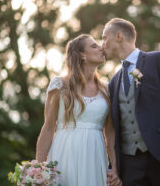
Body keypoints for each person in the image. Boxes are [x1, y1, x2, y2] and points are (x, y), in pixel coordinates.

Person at [103, 18, 160, 186]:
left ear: (118, 36)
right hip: (130, 166)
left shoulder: (158, 60)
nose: (102, 44)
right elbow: (115, 128)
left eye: (104, 37)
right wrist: (113, 167)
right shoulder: (113, 81)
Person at [36, 34, 121, 186]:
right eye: (94, 46)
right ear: (82, 55)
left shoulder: (107, 89)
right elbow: (48, 127)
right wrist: (38, 169)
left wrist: (115, 167)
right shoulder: (59, 85)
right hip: (65, 151)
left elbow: (110, 132)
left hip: (95, 154)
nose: (102, 48)